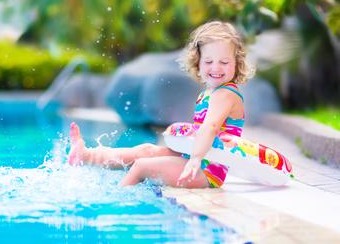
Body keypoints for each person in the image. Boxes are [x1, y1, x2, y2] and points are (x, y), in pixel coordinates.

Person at [68, 21, 254, 188]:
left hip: (207, 171)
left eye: (224, 62)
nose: (216, 67)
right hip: (194, 158)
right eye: (208, 61)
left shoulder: (226, 94)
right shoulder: (209, 93)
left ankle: (117, 202)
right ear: (198, 63)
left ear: (237, 64)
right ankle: (87, 156)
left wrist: (195, 160)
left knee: (142, 166)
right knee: (145, 150)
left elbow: (210, 127)